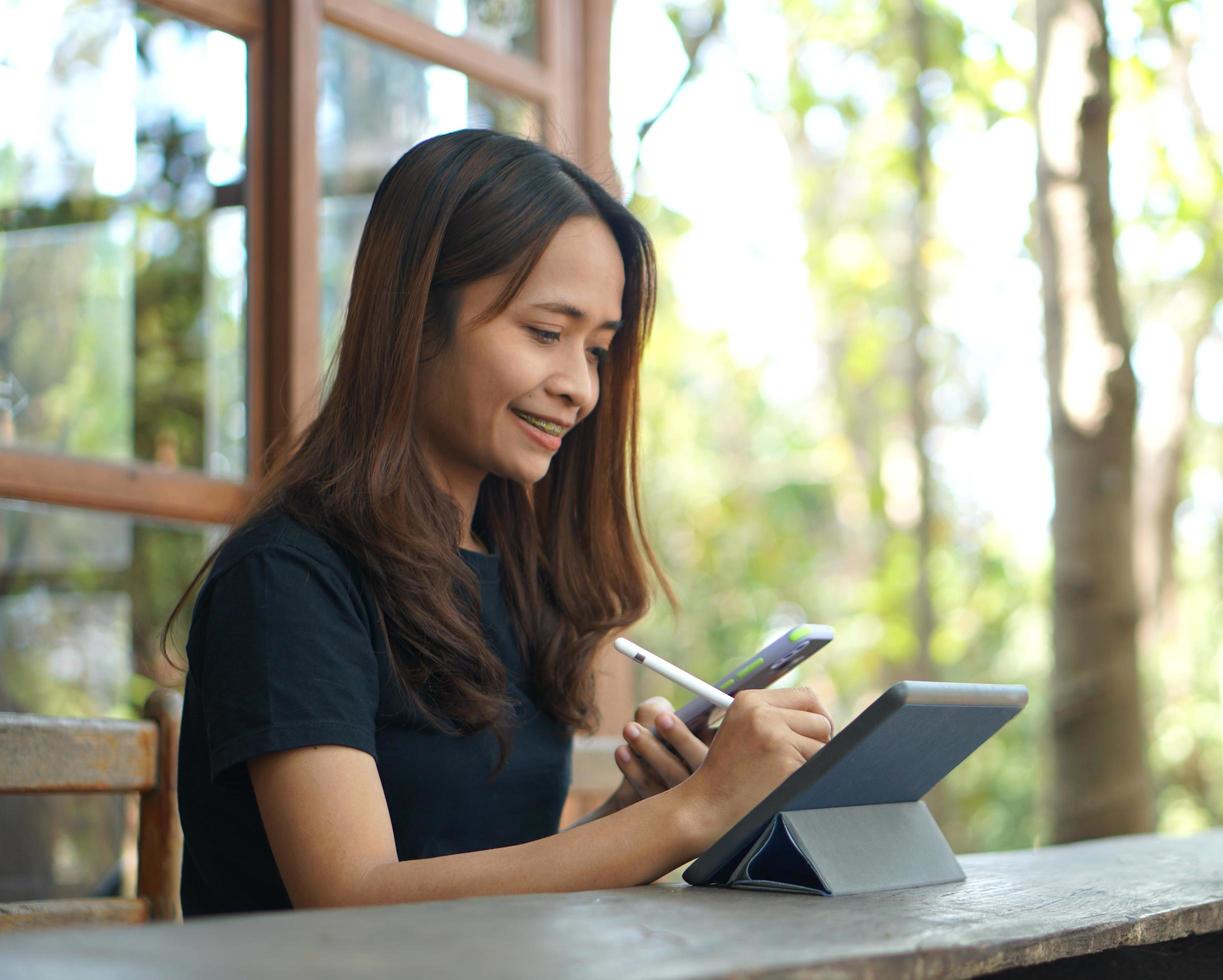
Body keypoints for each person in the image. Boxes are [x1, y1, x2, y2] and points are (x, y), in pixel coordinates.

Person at [168, 129, 834, 916]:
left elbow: (482, 878)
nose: (580, 389)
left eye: (598, 350)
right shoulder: (288, 578)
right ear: (416, 316)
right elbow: (352, 898)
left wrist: (635, 811)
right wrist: (691, 813)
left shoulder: (512, 574)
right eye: (547, 333)